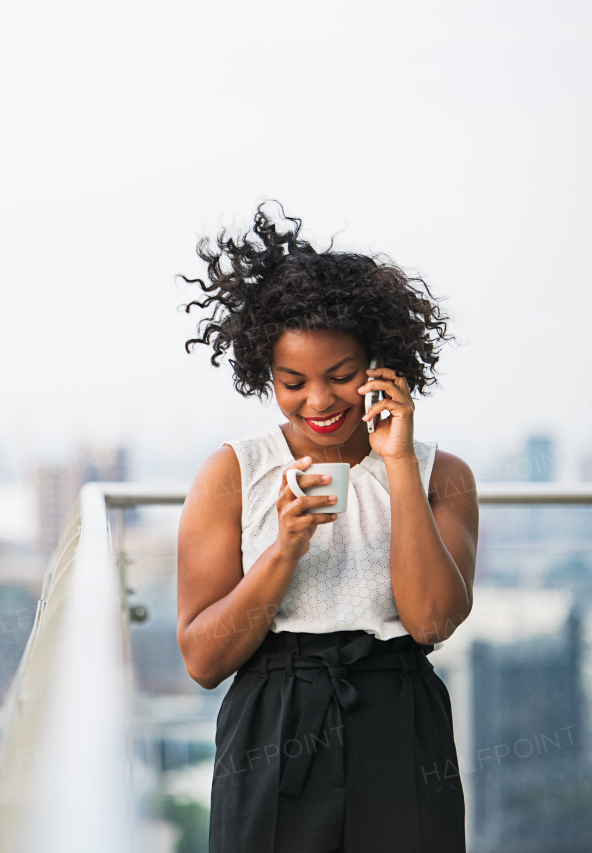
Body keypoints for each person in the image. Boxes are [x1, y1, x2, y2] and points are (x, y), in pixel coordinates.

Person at [175, 203, 478, 853]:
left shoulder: (439, 474)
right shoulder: (233, 472)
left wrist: (396, 462)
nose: (318, 401)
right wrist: (283, 551)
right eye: (293, 381)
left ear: (381, 362)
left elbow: (430, 622)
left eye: (341, 376)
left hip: (400, 716)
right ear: (265, 373)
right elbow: (202, 658)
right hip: (271, 720)